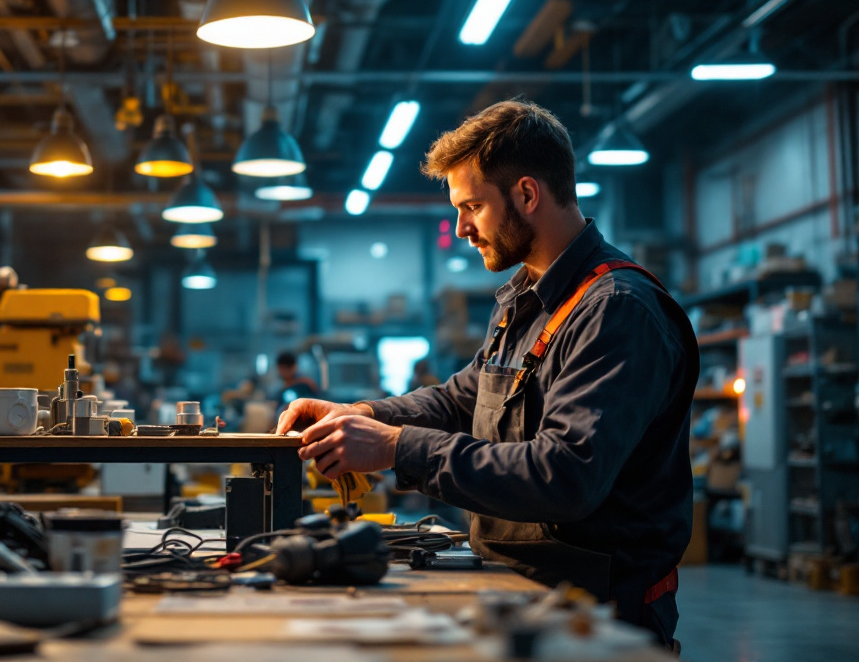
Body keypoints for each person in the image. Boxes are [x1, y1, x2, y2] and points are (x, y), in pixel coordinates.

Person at [276, 100, 697, 650]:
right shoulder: (525, 299)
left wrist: (398, 449)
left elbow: (566, 476)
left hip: (595, 615)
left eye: (472, 205)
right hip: (516, 590)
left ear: (527, 194)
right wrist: (361, 416)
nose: (461, 228)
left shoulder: (618, 310)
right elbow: (461, 400)